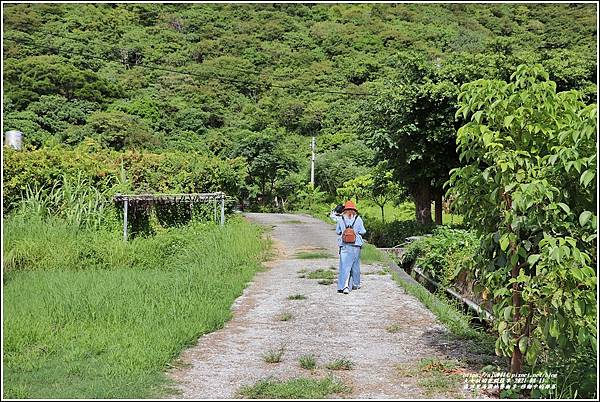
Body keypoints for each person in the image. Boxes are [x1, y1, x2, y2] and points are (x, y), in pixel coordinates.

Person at [335, 200, 366, 294]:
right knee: (355, 265)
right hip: (356, 245)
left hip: (344, 245)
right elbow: (363, 231)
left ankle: (344, 286)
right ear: (354, 210)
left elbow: (338, 231)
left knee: (344, 265)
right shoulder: (358, 219)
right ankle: (355, 284)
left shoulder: (341, 219)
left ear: (345, 210)